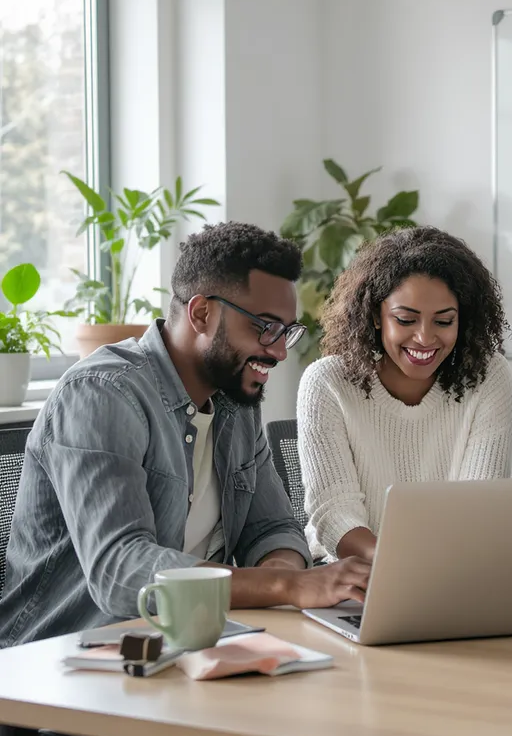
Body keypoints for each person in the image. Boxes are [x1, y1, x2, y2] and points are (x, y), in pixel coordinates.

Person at [0, 221, 370, 650]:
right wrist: (285, 587)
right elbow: (120, 572)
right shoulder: (103, 394)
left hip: (185, 644)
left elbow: (271, 527)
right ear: (201, 314)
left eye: (286, 331)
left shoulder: (234, 401)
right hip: (66, 659)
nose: (279, 350)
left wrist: (285, 572)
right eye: (265, 328)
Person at [297, 225, 512, 562]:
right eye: (406, 320)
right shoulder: (327, 382)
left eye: (443, 322)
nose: (425, 338)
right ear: (375, 316)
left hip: (454, 569)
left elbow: (480, 505)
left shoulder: (488, 376)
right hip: (353, 574)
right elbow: (335, 513)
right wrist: (398, 563)